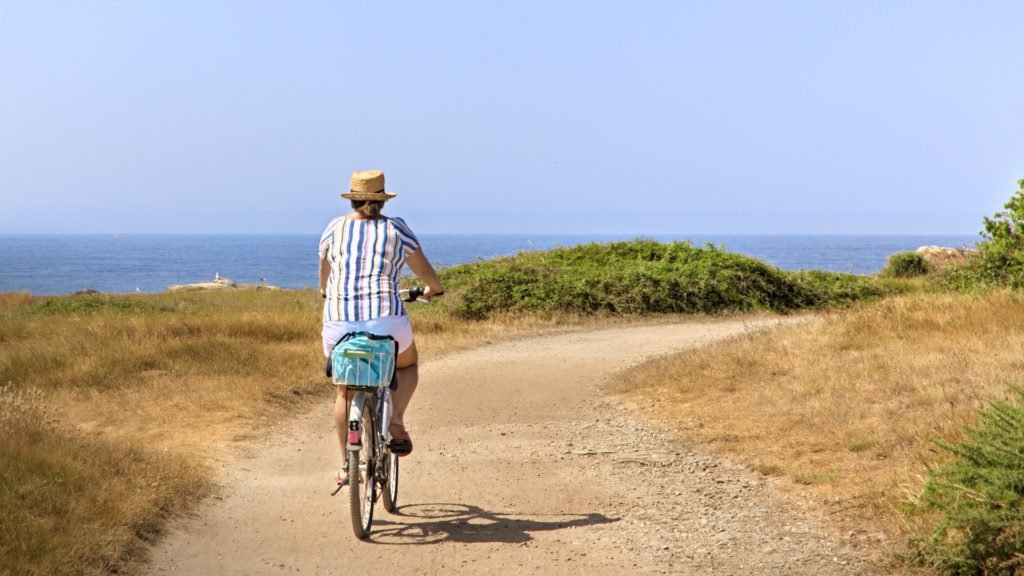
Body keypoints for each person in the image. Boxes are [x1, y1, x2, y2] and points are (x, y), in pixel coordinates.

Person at [319, 170, 444, 475]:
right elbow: (423, 269)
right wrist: (433, 288)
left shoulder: (334, 228)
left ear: (352, 200)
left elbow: (325, 276)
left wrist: (326, 292)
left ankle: (346, 466)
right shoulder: (396, 229)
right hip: (387, 323)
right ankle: (397, 419)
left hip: (338, 324)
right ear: (383, 200)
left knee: (343, 391)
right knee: (407, 366)